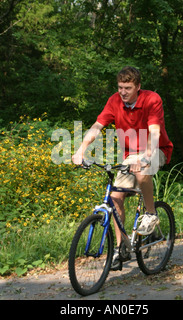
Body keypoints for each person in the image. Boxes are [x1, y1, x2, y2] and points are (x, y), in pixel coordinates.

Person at [72, 66, 173, 270]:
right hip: (129, 156)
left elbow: (154, 130)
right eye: (120, 87)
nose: (123, 92)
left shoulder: (152, 99)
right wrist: (81, 150)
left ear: (138, 87)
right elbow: (97, 126)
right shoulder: (114, 101)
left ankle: (151, 214)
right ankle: (121, 247)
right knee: (116, 197)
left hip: (156, 149)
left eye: (128, 88)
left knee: (141, 168)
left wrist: (147, 155)